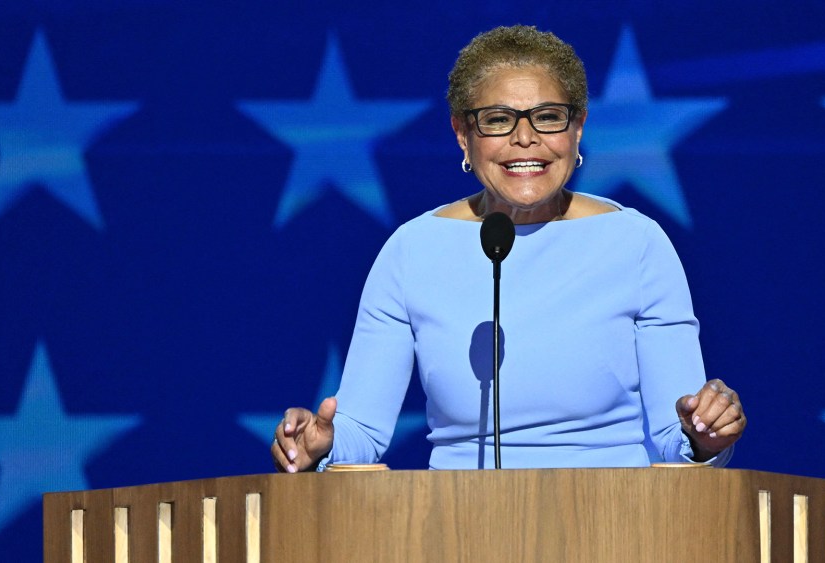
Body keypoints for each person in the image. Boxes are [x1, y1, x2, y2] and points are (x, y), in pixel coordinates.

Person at [272, 25, 746, 472]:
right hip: (453, 520)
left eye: (548, 117)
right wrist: (321, 445)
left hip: (610, 516)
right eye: (498, 120)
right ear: (463, 134)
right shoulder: (411, 251)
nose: (525, 138)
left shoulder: (637, 244)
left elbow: (678, 436)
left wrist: (706, 434)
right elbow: (361, 431)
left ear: (578, 128)